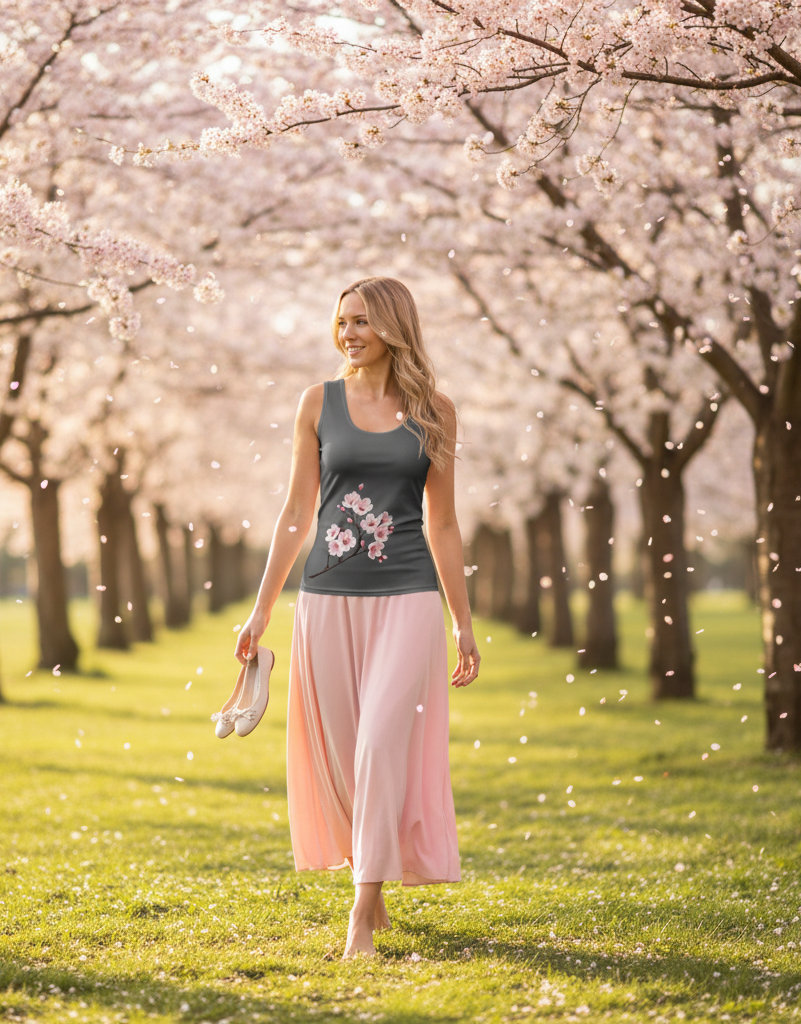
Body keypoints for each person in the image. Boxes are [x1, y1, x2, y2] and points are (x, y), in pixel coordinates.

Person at [234, 276, 480, 958]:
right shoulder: (317, 403)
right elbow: (295, 513)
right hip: (326, 603)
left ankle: (361, 912)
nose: (349, 333)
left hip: (408, 600)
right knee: (345, 757)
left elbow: (446, 522)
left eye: (364, 321)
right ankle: (371, 875)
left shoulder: (436, 410)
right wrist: (260, 610)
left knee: (378, 747)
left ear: (395, 328)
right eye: (343, 321)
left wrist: (462, 622)